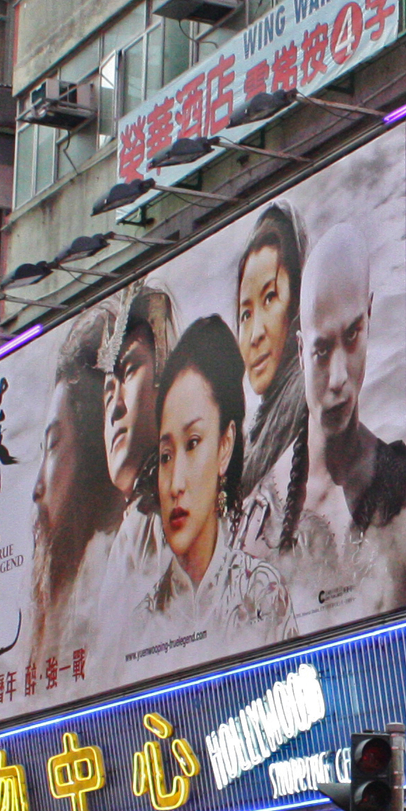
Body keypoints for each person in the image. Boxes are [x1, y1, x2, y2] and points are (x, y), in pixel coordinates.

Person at [148, 314, 293, 633]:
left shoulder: (261, 593)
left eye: (194, 443)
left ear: (225, 446)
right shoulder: (137, 625)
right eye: (166, 456)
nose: (175, 485)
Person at [230, 205, 310, 545]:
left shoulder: (313, 401)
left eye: (270, 299)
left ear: (298, 304)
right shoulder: (252, 441)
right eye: (246, 314)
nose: (255, 333)